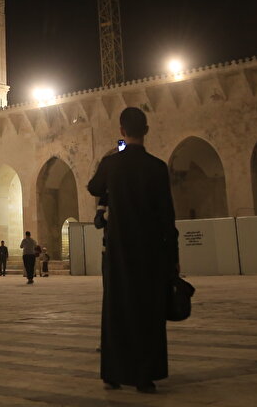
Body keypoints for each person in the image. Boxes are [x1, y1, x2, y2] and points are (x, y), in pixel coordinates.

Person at [87, 106, 179, 394]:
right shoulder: (157, 167)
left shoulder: (112, 163)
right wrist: (173, 257)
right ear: (147, 131)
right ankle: (144, 377)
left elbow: (93, 187)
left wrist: (109, 160)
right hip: (150, 251)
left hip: (118, 250)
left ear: (121, 131)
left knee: (117, 309)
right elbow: (167, 216)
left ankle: (113, 373)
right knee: (148, 311)